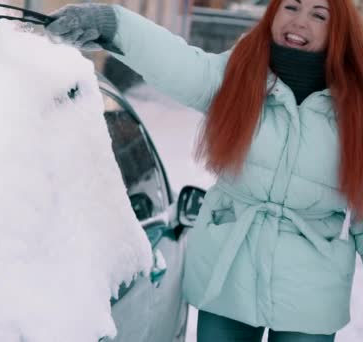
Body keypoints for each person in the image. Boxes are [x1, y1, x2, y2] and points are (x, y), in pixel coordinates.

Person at [45, 0, 363, 341]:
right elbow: (178, 63)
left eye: (319, 14)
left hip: (312, 288)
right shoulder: (237, 74)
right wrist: (114, 25)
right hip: (228, 275)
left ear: (338, 30)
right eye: (291, 7)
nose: (300, 21)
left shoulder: (356, 104)